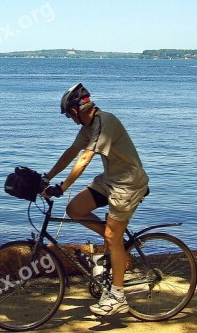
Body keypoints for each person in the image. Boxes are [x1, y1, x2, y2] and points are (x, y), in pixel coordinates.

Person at [41, 83, 150, 316]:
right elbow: (71, 152)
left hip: (128, 183)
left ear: (74, 111)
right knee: (74, 209)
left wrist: (62, 186)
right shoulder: (88, 126)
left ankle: (118, 296)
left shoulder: (104, 122)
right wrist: (47, 177)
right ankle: (115, 247)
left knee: (112, 234)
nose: (70, 120)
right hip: (109, 179)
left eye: (68, 116)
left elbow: (85, 158)